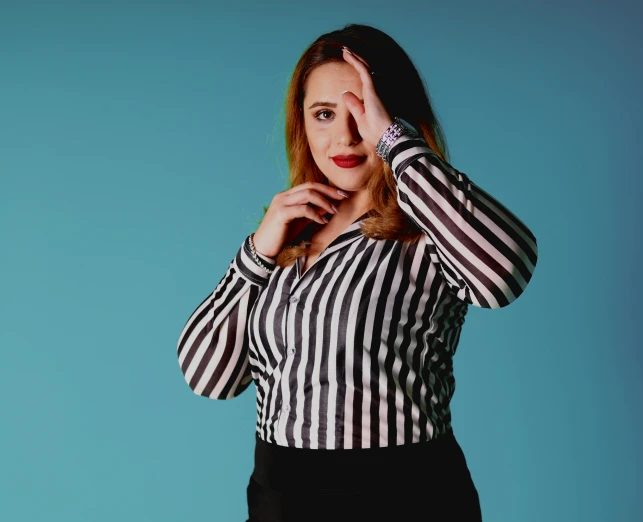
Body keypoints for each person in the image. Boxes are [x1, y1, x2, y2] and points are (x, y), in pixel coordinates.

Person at [176, 23, 538, 522]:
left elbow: (505, 275)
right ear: (301, 123)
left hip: (404, 497)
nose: (344, 136)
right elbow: (207, 376)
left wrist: (395, 142)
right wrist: (258, 250)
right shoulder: (283, 241)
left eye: (361, 112)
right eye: (324, 114)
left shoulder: (429, 230)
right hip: (279, 500)